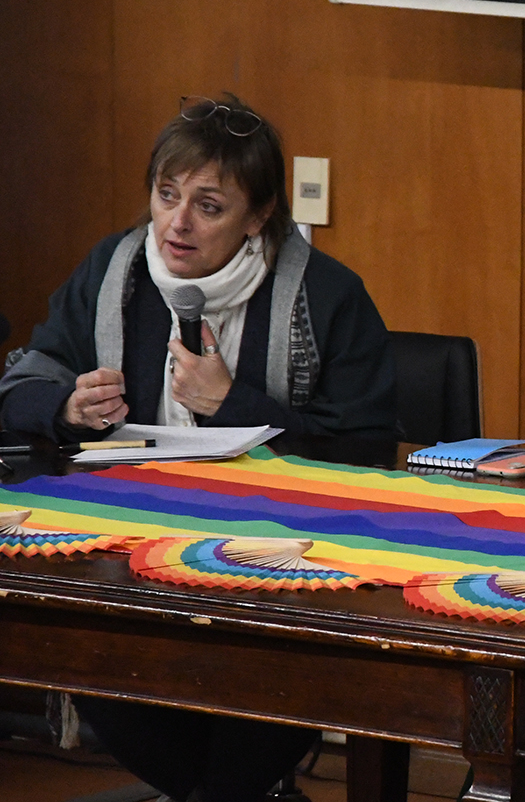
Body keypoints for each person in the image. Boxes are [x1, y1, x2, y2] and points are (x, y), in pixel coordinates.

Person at [0, 93, 399, 802]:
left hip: (278, 559)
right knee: (80, 650)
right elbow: (24, 380)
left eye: (208, 206)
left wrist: (231, 404)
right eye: (166, 195)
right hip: (131, 548)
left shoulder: (328, 294)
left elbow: (366, 453)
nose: (176, 223)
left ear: (259, 215)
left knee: (276, 682)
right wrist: (65, 407)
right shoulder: (113, 270)